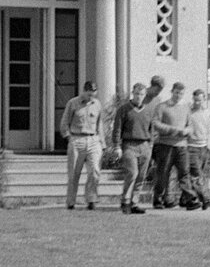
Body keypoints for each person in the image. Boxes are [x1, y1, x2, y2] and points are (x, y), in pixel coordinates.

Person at [113, 78, 161, 214]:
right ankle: (125, 201)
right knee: (132, 173)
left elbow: (152, 128)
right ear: (132, 94)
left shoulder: (148, 111)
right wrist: (117, 146)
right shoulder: (124, 110)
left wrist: (151, 144)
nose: (138, 97)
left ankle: (134, 202)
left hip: (145, 145)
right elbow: (117, 129)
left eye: (141, 94)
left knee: (141, 176)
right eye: (136, 94)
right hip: (129, 145)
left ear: (145, 95)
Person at [60, 80, 104, 210]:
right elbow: (64, 122)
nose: (91, 97)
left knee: (95, 171)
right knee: (74, 173)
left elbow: (100, 124)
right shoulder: (73, 103)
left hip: (93, 139)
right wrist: (69, 137)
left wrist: (102, 142)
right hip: (77, 139)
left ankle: (91, 199)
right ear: (84, 91)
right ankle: (71, 202)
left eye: (93, 94)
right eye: (89, 94)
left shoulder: (97, 104)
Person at [149, 81, 192, 208]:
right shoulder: (162, 107)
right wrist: (173, 130)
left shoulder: (186, 107)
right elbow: (156, 124)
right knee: (163, 172)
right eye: (176, 92)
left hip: (181, 145)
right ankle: (159, 199)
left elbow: (190, 125)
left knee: (184, 172)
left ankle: (189, 198)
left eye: (181, 93)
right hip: (165, 144)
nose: (178, 95)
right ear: (172, 92)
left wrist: (187, 131)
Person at [180, 88, 210, 210]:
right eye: (195, 100)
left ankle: (184, 198)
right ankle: (204, 198)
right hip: (192, 147)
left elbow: (209, 129)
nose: (197, 103)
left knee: (199, 173)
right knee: (197, 175)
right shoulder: (189, 112)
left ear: (204, 100)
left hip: (204, 147)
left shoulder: (207, 112)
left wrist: (209, 142)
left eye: (199, 100)